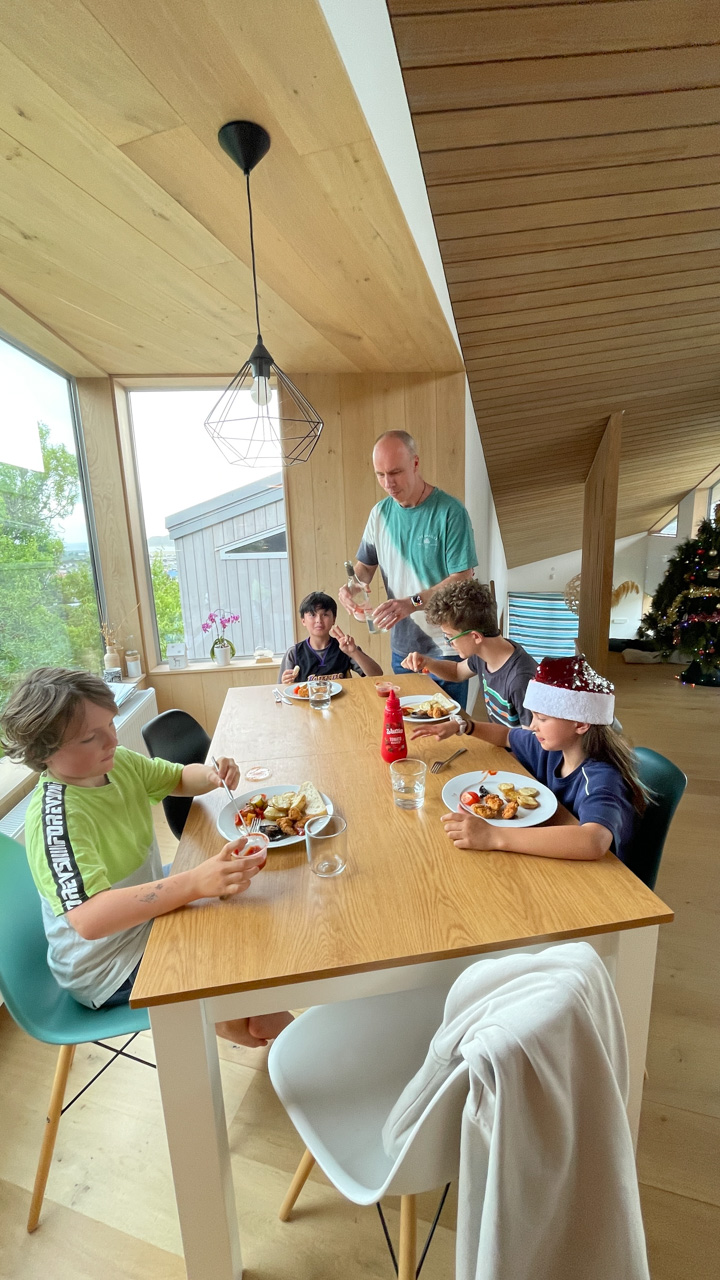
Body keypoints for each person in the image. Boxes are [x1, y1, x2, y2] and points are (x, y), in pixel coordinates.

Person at [0, 668, 292, 1048]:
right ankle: (252, 1025)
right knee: (229, 959)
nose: (112, 739)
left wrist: (210, 775)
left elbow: (177, 779)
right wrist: (193, 883)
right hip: (107, 965)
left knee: (246, 923)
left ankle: (250, 1018)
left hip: (149, 919)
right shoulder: (56, 820)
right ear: (43, 753)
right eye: (90, 737)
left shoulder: (118, 762)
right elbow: (89, 919)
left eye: (111, 723)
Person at [413, 654, 647, 864]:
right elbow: (506, 735)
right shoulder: (551, 747)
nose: (533, 726)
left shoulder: (601, 777)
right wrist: (464, 726)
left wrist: (493, 835)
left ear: (581, 724)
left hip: (601, 878)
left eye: (542, 719)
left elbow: (594, 840)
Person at [338, 430, 477, 708]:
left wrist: (411, 603)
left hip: (447, 649)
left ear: (415, 463)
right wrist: (351, 588)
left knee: (448, 729)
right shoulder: (379, 514)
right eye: (380, 475)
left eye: (395, 472)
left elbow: (462, 579)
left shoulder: (450, 512)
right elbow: (364, 567)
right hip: (403, 649)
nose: (388, 483)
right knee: (406, 728)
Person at [401, 579, 537, 729]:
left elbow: (532, 741)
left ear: (475, 636)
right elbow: (457, 672)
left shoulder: (521, 680)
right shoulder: (484, 654)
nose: (448, 643)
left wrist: (468, 728)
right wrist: (427, 662)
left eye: (449, 637)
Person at [279, 590, 382, 683]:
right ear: (303, 621)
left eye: (325, 615)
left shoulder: (345, 647)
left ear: (334, 619)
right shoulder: (294, 653)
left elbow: (377, 675)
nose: (319, 620)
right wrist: (285, 683)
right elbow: (281, 690)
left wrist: (354, 652)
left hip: (343, 698)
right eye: (312, 615)